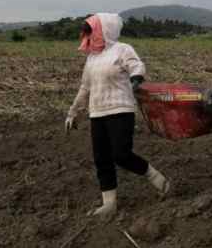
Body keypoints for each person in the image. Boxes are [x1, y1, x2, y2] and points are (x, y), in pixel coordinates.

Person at [65, 13, 171, 219]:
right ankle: (109, 204)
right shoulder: (92, 58)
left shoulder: (122, 49)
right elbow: (85, 88)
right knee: (101, 158)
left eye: (91, 29)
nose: (87, 34)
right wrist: (73, 112)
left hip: (120, 110)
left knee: (121, 155)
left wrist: (136, 77)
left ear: (105, 29)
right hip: (97, 113)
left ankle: (158, 180)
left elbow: (136, 65)